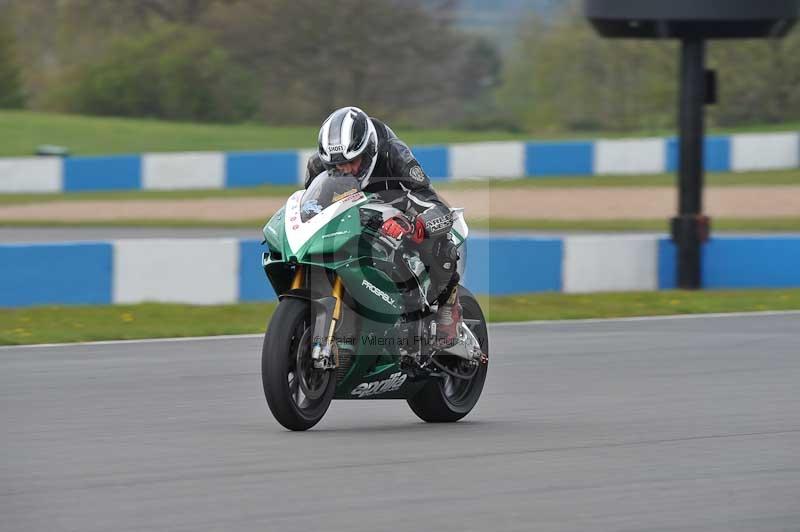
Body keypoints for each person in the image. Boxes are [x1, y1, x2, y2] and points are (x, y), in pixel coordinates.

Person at [305, 106, 461, 348]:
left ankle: (446, 310)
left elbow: (432, 202)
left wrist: (416, 226)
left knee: (439, 239)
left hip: (398, 204)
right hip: (354, 213)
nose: (344, 169)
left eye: (351, 162)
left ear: (368, 152)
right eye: (336, 165)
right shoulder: (319, 164)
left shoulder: (394, 153)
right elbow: (312, 205)